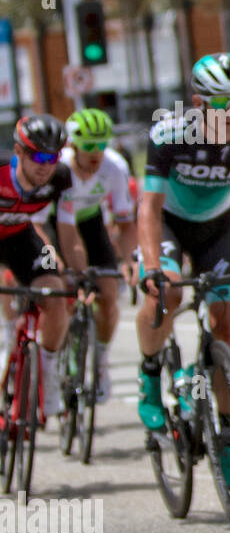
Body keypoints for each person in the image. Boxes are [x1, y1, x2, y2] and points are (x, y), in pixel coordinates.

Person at [136, 52, 230, 491]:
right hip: (170, 225)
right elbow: (149, 206)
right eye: (219, 104)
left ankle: (229, 439)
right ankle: (148, 374)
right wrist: (153, 266)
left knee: (227, 325)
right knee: (168, 293)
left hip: (216, 228)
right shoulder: (168, 134)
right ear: (198, 104)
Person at [0, 115, 85, 417]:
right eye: (38, 155)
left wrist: (79, 274)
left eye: (53, 157)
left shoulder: (61, 178)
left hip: (21, 237)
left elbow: (67, 231)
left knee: (57, 294)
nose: (45, 165)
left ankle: (46, 379)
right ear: (19, 151)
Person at [56, 108, 137, 401]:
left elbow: (126, 224)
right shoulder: (61, 169)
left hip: (91, 222)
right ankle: (61, 351)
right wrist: (75, 275)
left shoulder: (114, 167)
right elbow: (67, 234)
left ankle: (101, 361)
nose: (96, 153)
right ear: (73, 146)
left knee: (109, 293)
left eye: (102, 145)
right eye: (89, 146)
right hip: (60, 225)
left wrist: (130, 261)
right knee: (65, 291)